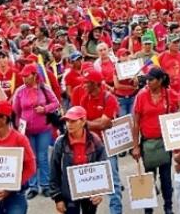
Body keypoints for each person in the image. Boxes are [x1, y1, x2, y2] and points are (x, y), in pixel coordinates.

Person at [72, 70, 121, 214]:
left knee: (112, 182)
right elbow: (92, 122)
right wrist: (95, 123)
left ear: (95, 84)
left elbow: (105, 123)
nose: (83, 85)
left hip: (107, 145)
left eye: (86, 82)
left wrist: (86, 123)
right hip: (90, 145)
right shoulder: (84, 99)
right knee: (90, 182)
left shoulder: (109, 98)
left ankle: (116, 212)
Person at [130, 68, 178, 214]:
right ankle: (148, 210)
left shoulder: (169, 94)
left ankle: (168, 207)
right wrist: (135, 146)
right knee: (148, 178)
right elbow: (136, 123)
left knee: (166, 178)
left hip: (164, 143)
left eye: (151, 79)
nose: (148, 82)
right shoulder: (141, 96)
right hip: (147, 144)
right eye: (147, 79)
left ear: (160, 80)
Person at [11, 64, 60, 199]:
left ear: (34, 75)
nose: (24, 79)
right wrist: (19, 126)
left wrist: (44, 109)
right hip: (27, 130)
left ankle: (45, 185)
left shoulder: (44, 88)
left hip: (43, 128)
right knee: (31, 157)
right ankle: (33, 186)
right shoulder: (20, 91)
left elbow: (56, 103)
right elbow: (16, 110)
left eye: (26, 76)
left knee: (42, 156)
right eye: (23, 76)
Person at [48, 106, 105, 214]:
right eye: (67, 121)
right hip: (68, 194)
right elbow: (54, 171)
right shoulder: (60, 143)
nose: (69, 124)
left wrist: (100, 192)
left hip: (90, 193)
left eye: (73, 121)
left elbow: (103, 166)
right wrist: (57, 198)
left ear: (83, 121)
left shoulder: (95, 140)